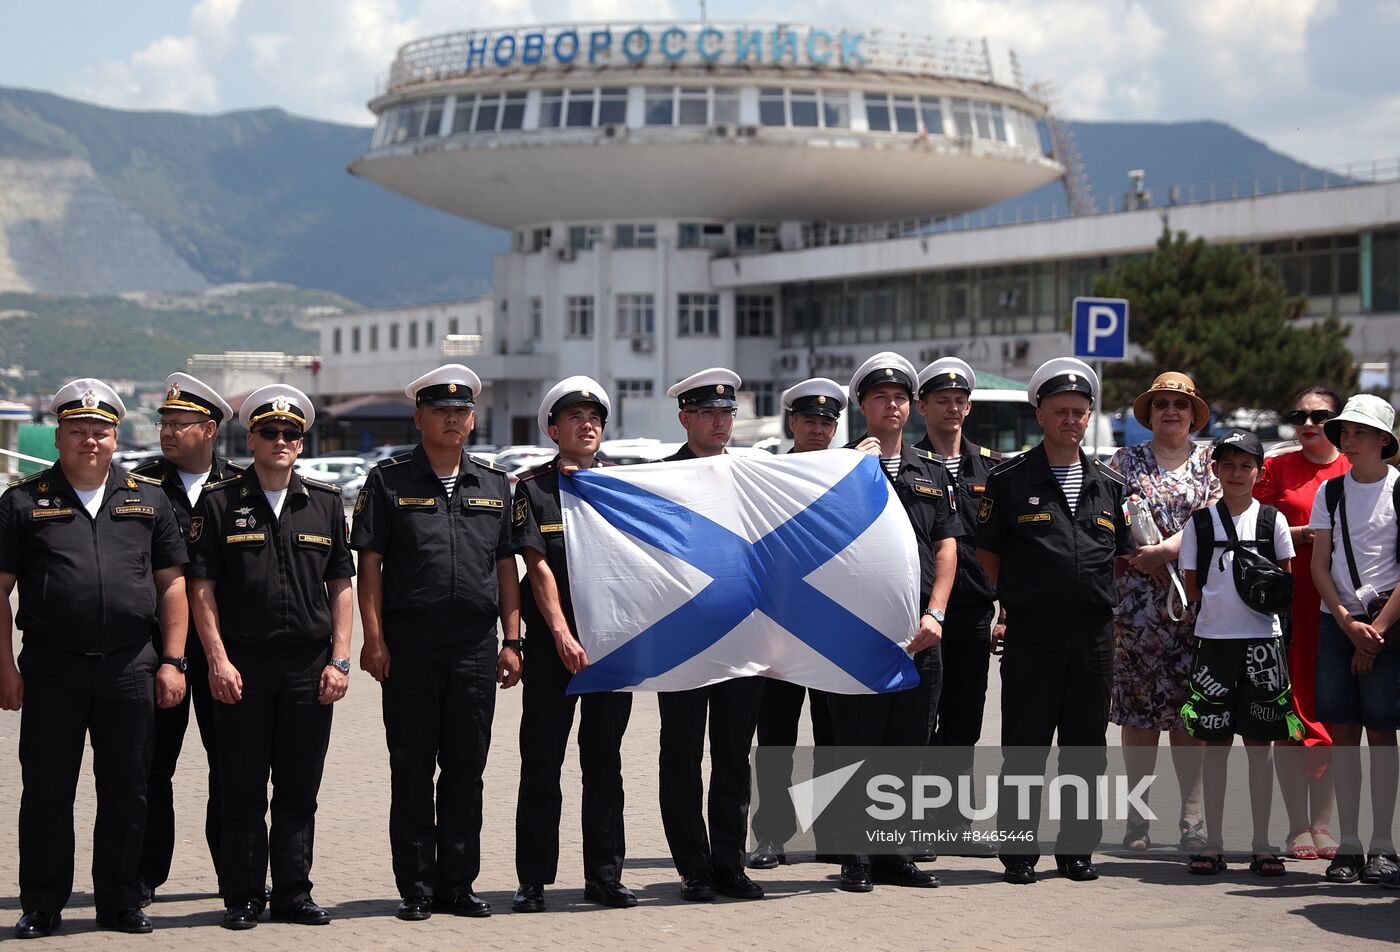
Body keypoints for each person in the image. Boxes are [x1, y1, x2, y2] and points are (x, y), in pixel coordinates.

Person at [0, 378, 189, 938]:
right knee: (47, 790)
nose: (91, 440)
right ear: (58, 437)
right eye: (79, 430)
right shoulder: (22, 501)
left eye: (101, 431)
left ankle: (121, 898)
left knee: (129, 788)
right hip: (52, 668)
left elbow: (172, 586)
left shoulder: (147, 499)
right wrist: (5, 668)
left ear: (115, 438)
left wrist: (172, 661)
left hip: (130, 665)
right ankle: (42, 903)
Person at [352, 364, 521, 921]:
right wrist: (373, 640)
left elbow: (506, 569)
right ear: (419, 417)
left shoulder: (495, 485)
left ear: (472, 419)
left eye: (462, 411)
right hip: (410, 645)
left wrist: (512, 639)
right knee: (412, 767)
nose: (454, 418)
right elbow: (370, 566)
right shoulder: (388, 480)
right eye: (442, 410)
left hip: (475, 646)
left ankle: (458, 884)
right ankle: (417, 888)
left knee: (467, 770)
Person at [188, 385, 355, 930]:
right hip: (244, 666)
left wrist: (341, 660)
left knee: (298, 788)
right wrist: (216, 659)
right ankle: (242, 896)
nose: (281, 441)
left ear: (301, 445)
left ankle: (293, 893)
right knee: (240, 787)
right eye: (270, 433)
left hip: (310, 668)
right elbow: (202, 588)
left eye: (291, 434)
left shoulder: (326, 503)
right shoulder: (219, 503)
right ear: (251, 439)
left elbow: (341, 586)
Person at [975, 357, 1133, 885]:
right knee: (1025, 744)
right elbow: (989, 553)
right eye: (1061, 411)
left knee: (1086, 746)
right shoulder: (1009, 479)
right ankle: (1018, 852)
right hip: (1032, 633)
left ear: (1089, 418)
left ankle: (1076, 850)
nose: (1071, 420)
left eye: (1079, 412)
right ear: (1039, 413)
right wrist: (1016, 600)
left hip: (1092, 634)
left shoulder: (1108, 483)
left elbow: (1123, 551)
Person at [830, 352, 961, 892]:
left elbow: (948, 545)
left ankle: (893, 853)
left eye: (901, 398)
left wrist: (937, 612)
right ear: (863, 406)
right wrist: (852, 474)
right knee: (857, 744)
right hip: (856, 632)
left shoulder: (929, 471)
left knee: (909, 745)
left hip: (918, 631)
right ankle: (855, 856)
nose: (893, 405)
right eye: (882, 397)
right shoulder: (835, 467)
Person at [511, 377, 635, 913]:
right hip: (550, 644)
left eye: (595, 418)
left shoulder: (626, 486)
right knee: (542, 760)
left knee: (604, 761)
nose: (587, 425)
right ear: (553, 428)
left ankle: (605, 876)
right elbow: (536, 565)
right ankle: (533, 879)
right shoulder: (533, 488)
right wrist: (560, 632)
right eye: (575, 417)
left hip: (612, 644)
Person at [132, 373, 244, 905]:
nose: (168, 432)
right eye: (164, 423)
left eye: (179, 424)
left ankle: (235, 876)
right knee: (153, 765)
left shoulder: (241, 486)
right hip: (159, 650)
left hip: (225, 650)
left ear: (210, 429)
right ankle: (144, 875)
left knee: (231, 766)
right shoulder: (140, 486)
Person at [657, 367, 765, 902]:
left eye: (727, 412)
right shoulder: (656, 480)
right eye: (707, 413)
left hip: (743, 637)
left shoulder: (752, 476)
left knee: (732, 756)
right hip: (682, 641)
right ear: (685, 419)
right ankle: (693, 867)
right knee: (680, 755)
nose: (720, 422)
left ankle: (730, 862)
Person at [1178, 429, 1300, 877]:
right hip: (1214, 643)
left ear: (1259, 471)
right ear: (1215, 470)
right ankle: (1212, 842)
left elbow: (1285, 583)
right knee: (1213, 745)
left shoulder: (1273, 521)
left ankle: (1262, 842)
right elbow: (1192, 587)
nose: (1236, 473)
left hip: (1263, 645)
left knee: (1261, 747)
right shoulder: (1200, 522)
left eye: (1246, 465)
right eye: (1227, 465)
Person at [1109, 372, 1215, 852]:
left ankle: (1191, 817)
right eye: (1161, 404)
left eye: (1179, 404)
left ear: (1193, 414)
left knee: (1188, 716)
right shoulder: (1124, 461)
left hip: (1196, 607)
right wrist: (1141, 558)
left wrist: (1167, 551)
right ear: (1148, 414)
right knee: (1139, 717)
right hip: (1136, 611)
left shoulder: (1213, 462)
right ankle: (1138, 820)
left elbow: (1215, 522)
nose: (1170, 411)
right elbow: (1109, 521)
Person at [748, 377, 843, 870]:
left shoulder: (851, 473)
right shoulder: (768, 474)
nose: (819, 428)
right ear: (792, 422)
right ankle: (771, 835)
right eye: (810, 420)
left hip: (832, 629)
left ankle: (831, 832)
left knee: (832, 736)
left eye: (828, 421)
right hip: (780, 629)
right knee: (777, 738)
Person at [1306, 393, 1400, 885]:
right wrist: (1347, 624)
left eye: (1361, 431)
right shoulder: (1332, 492)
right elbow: (1319, 566)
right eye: (1344, 430)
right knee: (1343, 732)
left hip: (1388, 626)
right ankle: (1349, 844)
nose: (1349, 438)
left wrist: (1377, 632)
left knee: (1383, 732)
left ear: (1384, 439)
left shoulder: (1399, 490)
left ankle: (1384, 845)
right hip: (1338, 624)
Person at [1255, 385, 1348, 861]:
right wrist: (1302, 534)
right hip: (1288, 608)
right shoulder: (1275, 467)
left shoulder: (1354, 468)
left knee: (1332, 712)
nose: (1309, 424)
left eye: (1320, 416)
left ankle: (1323, 825)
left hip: (1339, 610)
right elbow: (1253, 526)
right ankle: (1295, 827)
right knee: (1288, 716)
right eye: (1300, 415)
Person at [913, 357, 1003, 852]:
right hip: (921, 613)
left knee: (964, 720)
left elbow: (1006, 546)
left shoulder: (992, 467)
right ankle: (922, 824)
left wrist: (1005, 613)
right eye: (941, 400)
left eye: (959, 400)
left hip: (973, 613)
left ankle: (954, 825)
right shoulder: (907, 463)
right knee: (923, 720)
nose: (951, 407)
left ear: (968, 407)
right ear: (922, 406)